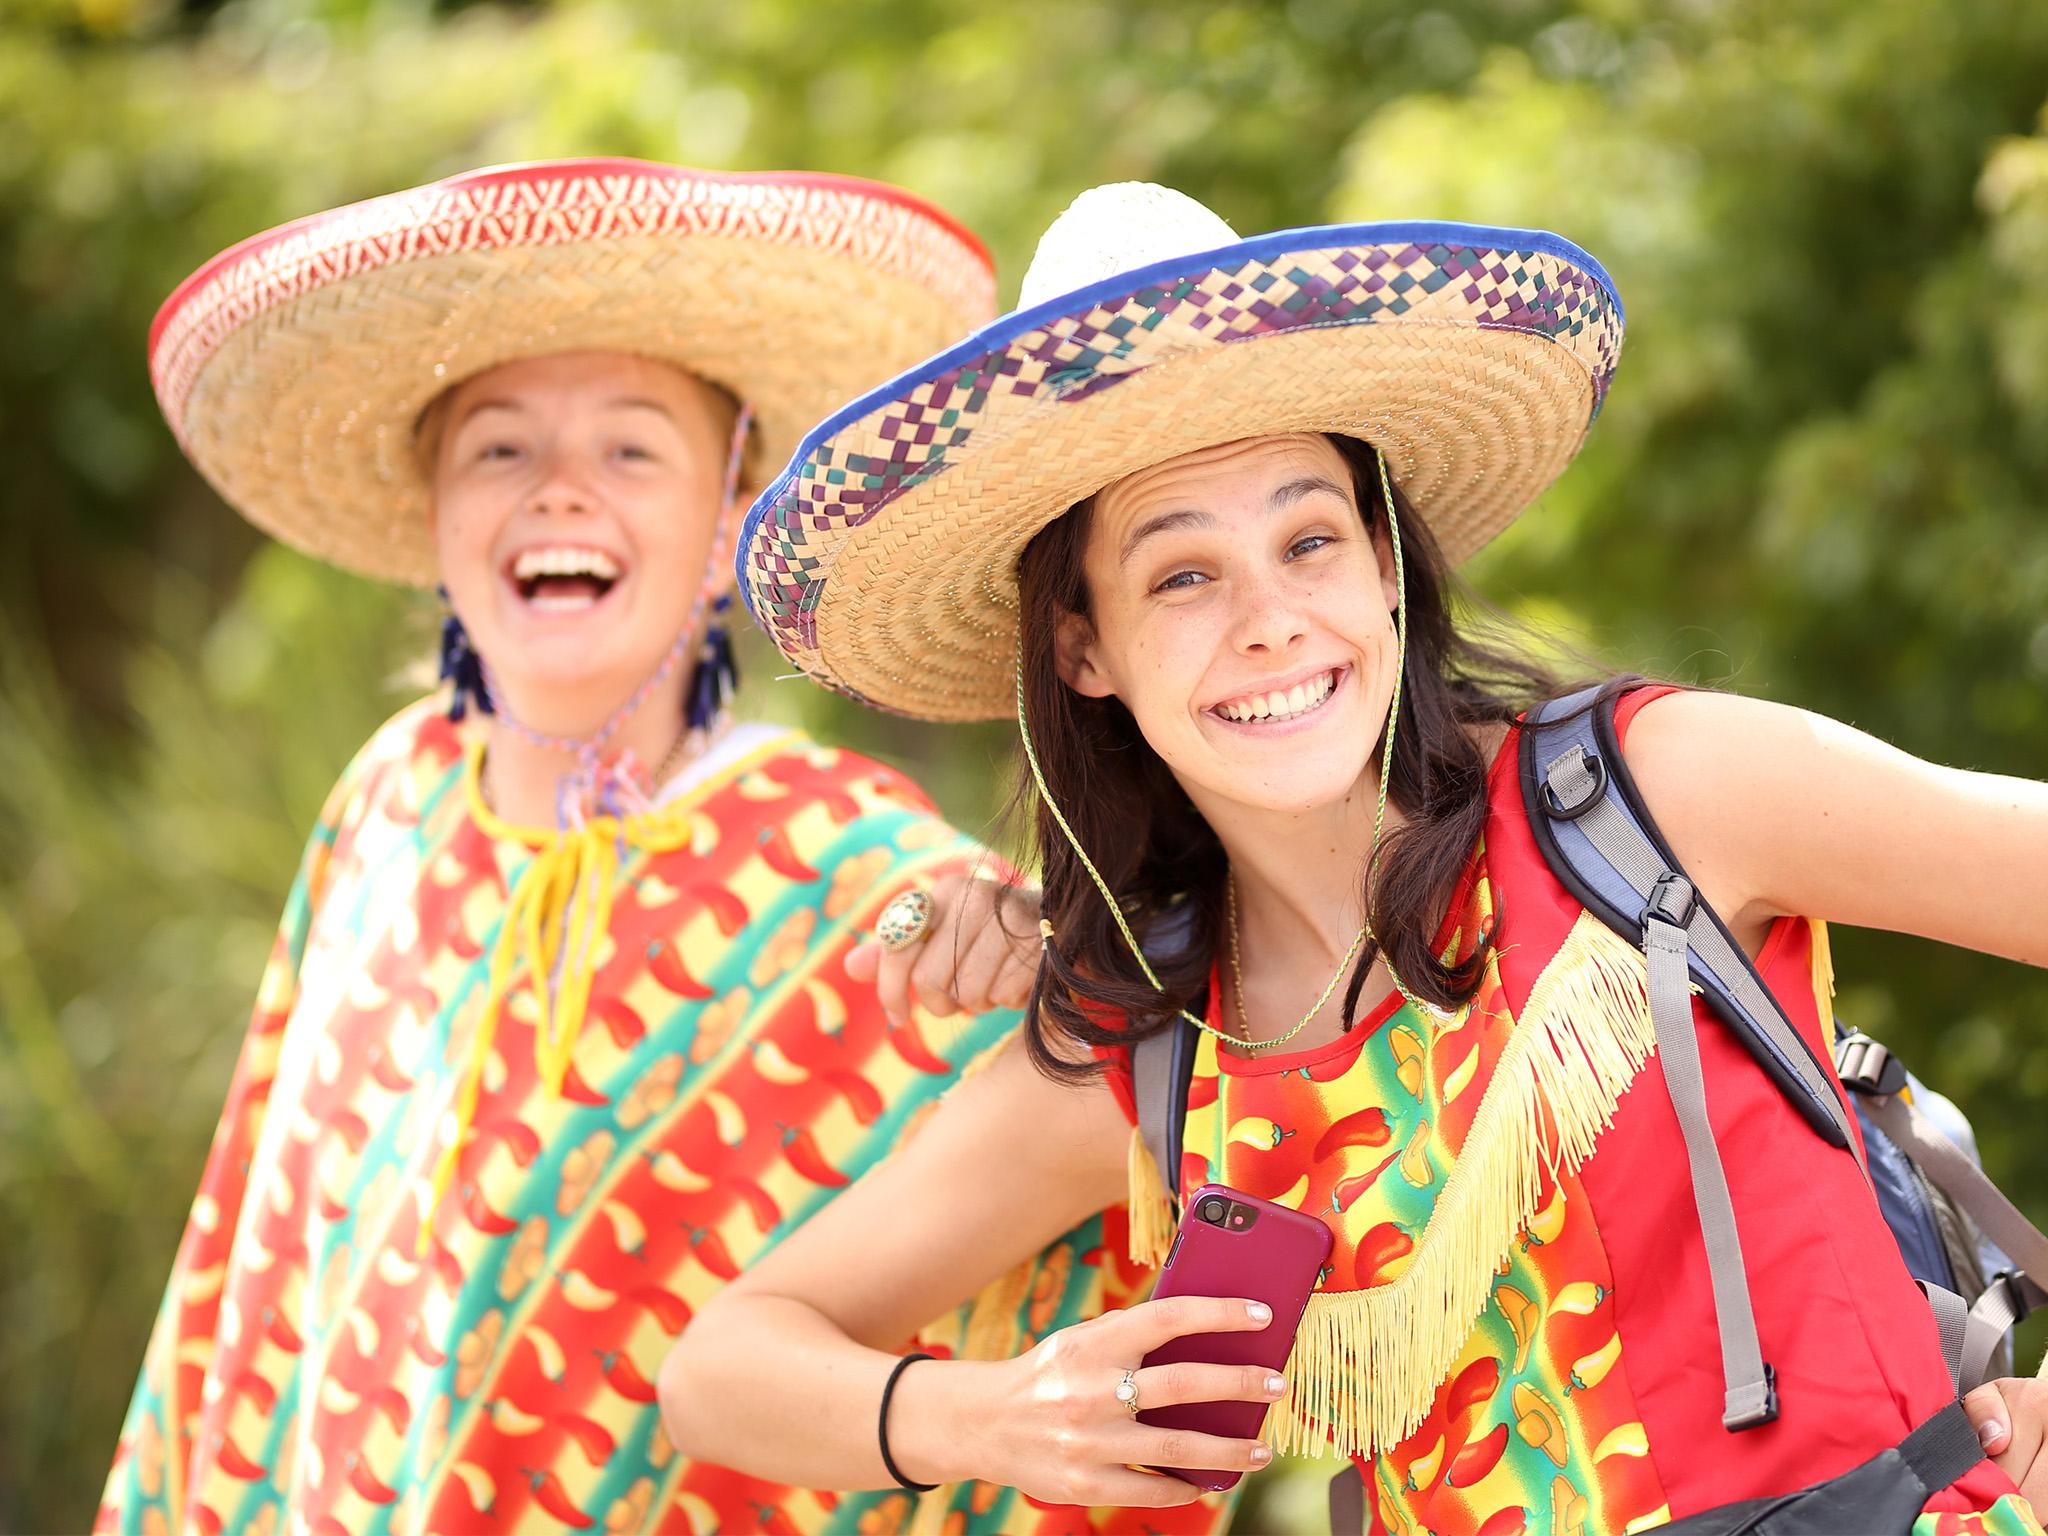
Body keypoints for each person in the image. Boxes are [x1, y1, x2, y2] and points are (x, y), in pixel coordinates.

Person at [668, 181, 2048, 1533]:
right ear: (1082, 648)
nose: (1271, 619)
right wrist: (993, 1414)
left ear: (1388, 565)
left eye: (1310, 540)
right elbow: (722, 1369)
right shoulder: (1148, 1045)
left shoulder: (1660, 797)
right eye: (1182, 574)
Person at [100, 160, 1231, 1536]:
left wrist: (977, 941)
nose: (560, 491)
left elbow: (1069, 1089)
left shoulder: (851, 859)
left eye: (632, 448)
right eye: (498, 448)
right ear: (437, 520)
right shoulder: (384, 803)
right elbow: (263, 1267)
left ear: (727, 527)